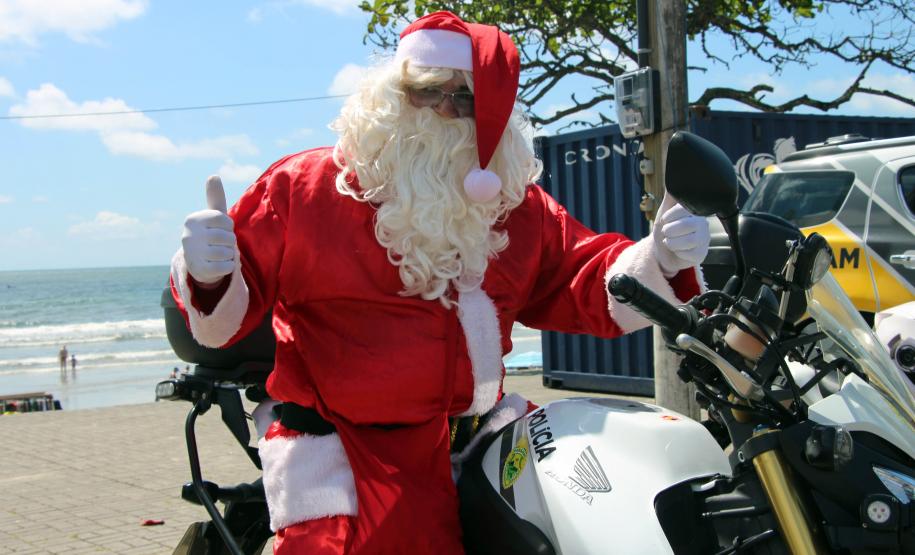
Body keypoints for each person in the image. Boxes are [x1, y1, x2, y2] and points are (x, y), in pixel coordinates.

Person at [169, 11, 709, 554]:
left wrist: (658, 258)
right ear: (392, 95)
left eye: (468, 98)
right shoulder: (303, 189)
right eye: (428, 91)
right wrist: (210, 274)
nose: (448, 110)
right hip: (343, 457)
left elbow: (579, 275)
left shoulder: (513, 208)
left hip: (476, 437)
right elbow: (225, 318)